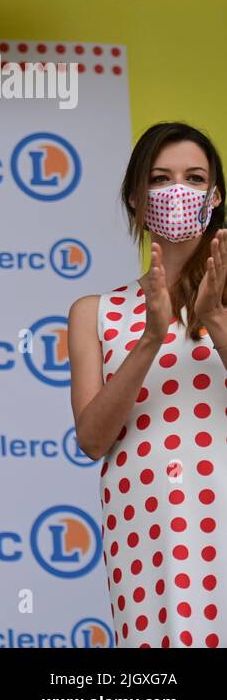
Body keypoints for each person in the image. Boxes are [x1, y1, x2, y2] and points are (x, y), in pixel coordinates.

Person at [68, 122, 227, 648]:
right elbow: (92, 439)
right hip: (146, 527)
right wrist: (151, 338)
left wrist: (216, 323)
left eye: (194, 177)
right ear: (135, 199)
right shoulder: (96, 312)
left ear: (216, 197)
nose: (178, 190)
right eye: (160, 178)